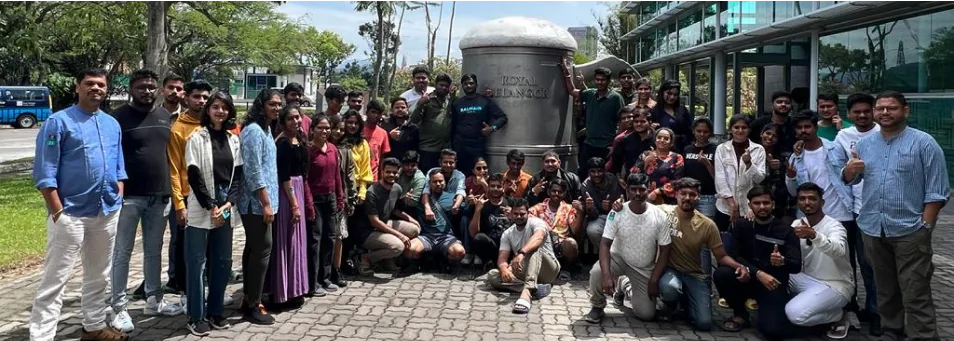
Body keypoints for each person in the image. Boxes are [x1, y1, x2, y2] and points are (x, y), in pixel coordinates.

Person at [30, 68, 129, 341]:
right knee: (55, 280)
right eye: (89, 84)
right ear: (78, 87)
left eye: (100, 84)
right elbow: (44, 171)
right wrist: (57, 210)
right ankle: (42, 336)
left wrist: (118, 192)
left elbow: (119, 165)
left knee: (99, 275)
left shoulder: (112, 124)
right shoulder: (58, 122)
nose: (95, 88)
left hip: (106, 211)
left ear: (106, 89)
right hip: (70, 213)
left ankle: (94, 326)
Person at [842, 91, 949, 341]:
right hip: (873, 228)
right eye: (880, 108)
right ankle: (892, 330)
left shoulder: (924, 143)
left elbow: (938, 192)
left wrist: (925, 226)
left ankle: (922, 336)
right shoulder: (865, 144)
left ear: (905, 110)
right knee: (885, 288)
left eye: (891, 108)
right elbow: (851, 178)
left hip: (910, 230)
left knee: (915, 290)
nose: (885, 113)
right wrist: (849, 171)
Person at [108, 69, 183, 333]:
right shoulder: (117, 118)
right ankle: (118, 307)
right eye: (141, 87)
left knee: (154, 251)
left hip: (159, 196)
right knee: (122, 253)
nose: (147, 91)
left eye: (151, 87)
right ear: (131, 88)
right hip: (129, 197)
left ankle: (154, 300)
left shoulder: (165, 116)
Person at [181, 91, 244, 336]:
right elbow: (194, 176)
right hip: (201, 205)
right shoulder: (197, 138)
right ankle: (196, 316)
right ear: (208, 110)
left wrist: (228, 204)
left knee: (222, 261)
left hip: (225, 206)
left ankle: (215, 311)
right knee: (196, 263)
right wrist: (211, 205)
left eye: (225, 107)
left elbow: (237, 176)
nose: (220, 111)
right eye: (215, 106)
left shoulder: (233, 140)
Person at [656, 178, 749, 331]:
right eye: (683, 193)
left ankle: (686, 302)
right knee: (669, 288)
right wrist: (618, 206)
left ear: (698, 197)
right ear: (676, 195)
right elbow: (640, 205)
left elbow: (721, 256)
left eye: (692, 194)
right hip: (670, 271)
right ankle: (670, 304)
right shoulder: (662, 212)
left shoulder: (707, 224)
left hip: (694, 274)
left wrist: (740, 266)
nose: (687, 198)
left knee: (704, 323)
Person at [714, 186, 801, 340]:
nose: (762, 207)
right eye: (757, 203)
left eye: (766, 203)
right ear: (750, 205)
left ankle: (772, 310)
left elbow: (796, 265)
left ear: (773, 204)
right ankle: (741, 314)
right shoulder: (742, 225)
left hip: (772, 283)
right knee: (722, 274)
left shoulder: (786, 230)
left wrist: (783, 261)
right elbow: (734, 254)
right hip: (748, 277)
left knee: (772, 331)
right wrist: (754, 272)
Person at [583, 173, 671, 323]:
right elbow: (605, 243)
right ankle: (597, 306)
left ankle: (624, 285)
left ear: (649, 188)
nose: (638, 194)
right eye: (633, 189)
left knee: (646, 315)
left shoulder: (659, 215)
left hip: (643, 267)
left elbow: (665, 250)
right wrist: (606, 275)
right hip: (619, 259)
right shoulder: (616, 212)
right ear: (627, 190)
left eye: (642, 189)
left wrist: (654, 280)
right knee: (596, 272)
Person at [832, 93, 880, 334]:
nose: (862, 116)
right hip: (851, 210)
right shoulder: (844, 136)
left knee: (871, 264)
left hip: (876, 210)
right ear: (849, 114)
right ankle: (851, 306)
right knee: (847, 262)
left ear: (873, 111)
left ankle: (876, 311)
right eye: (856, 112)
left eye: (866, 111)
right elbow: (839, 172)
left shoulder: (883, 132)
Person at [784, 183, 852, 339]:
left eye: (812, 199)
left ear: (822, 202)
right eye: (802, 199)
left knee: (795, 314)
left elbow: (838, 250)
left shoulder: (835, 226)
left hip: (834, 285)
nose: (807, 203)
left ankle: (838, 315)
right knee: (773, 276)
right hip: (805, 280)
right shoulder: (796, 224)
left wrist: (814, 235)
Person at [238, 89, 281, 325]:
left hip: (265, 202)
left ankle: (248, 298)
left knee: (254, 250)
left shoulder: (266, 129)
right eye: (272, 104)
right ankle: (254, 304)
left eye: (279, 104)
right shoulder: (253, 132)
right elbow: (253, 172)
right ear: (261, 105)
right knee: (263, 250)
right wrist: (265, 203)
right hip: (255, 204)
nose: (277, 108)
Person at [167, 80, 214, 294]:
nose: (201, 101)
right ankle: (184, 289)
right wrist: (179, 204)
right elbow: (174, 169)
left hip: (212, 195)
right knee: (185, 246)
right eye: (197, 97)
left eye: (205, 97)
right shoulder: (178, 128)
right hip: (188, 196)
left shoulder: (213, 125)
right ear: (187, 98)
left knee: (210, 245)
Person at [266, 105, 312, 306]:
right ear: (283, 122)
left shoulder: (299, 140)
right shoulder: (282, 144)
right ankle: (282, 291)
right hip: (288, 195)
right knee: (286, 243)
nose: (296, 121)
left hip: (299, 190)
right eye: (291, 118)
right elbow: (284, 178)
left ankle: (296, 288)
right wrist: (294, 205)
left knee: (297, 243)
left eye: (298, 118)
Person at [784, 110, 854, 239]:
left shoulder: (836, 149)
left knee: (842, 256)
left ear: (816, 127)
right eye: (799, 128)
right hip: (809, 217)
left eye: (807, 126)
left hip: (840, 214)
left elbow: (851, 177)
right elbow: (794, 193)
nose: (803, 130)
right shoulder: (795, 157)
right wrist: (791, 177)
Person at [485, 198, 559, 314]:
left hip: (548, 269)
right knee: (493, 276)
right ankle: (537, 288)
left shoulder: (536, 222)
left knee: (534, 249)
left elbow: (539, 237)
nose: (519, 216)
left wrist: (522, 253)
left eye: (522, 214)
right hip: (526, 269)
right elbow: (502, 258)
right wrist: (504, 269)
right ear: (511, 214)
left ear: (528, 213)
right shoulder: (508, 233)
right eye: (516, 214)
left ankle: (527, 292)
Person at [357, 158, 422, 275]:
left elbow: (395, 210)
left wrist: (411, 219)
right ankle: (365, 258)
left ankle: (387, 259)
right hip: (368, 231)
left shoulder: (397, 188)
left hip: (385, 223)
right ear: (382, 171)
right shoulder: (372, 192)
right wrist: (399, 235)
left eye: (394, 172)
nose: (391, 175)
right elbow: (374, 221)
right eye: (388, 172)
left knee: (414, 229)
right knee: (398, 246)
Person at [560, 61, 625, 179]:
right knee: (584, 173)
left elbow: (622, 121)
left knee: (606, 176)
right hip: (589, 143)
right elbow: (572, 91)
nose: (600, 82)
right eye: (598, 79)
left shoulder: (616, 98)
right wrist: (567, 74)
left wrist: (615, 145)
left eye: (603, 80)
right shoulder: (590, 94)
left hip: (607, 145)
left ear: (608, 81)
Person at [305, 114, 345, 297]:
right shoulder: (308, 150)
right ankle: (312, 282)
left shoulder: (333, 149)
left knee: (330, 238)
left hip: (331, 199)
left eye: (327, 128)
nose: (325, 131)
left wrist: (340, 198)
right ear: (312, 129)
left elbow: (337, 176)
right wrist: (309, 204)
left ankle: (325, 277)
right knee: (315, 240)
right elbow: (304, 180)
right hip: (315, 200)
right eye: (320, 128)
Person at [714, 115, 767, 231]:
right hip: (725, 207)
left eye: (744, 127)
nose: (740, 131)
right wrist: (732, 205)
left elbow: (759, 178)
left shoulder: (759, 149)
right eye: (736, 127)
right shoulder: (721, 149)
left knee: (747, 244)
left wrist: (749, 164)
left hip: (750, 208)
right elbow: (720, 178)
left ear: (749, 130)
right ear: (730, 129)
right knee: (724, 242)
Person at [450, 74, 508, 175]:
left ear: (476, 85)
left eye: (471, 83)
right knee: (461, 177)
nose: (468, 86)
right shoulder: (457, 103)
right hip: (460, 148)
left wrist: (492, 128)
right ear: (462, 86)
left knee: (479, 176)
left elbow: (502, 117)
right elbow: (452, 126)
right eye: (465, 84)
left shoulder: (485, 101)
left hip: (478, 148)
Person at [405, 170, 467, 265]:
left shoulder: (453, 197)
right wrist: (406, 202)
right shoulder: (420, 198)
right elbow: (408, 210)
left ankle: (443, 260)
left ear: (445, 182)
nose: (438, 184)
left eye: (441, 181)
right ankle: (424, 260)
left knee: (459, 253)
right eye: (434, 182)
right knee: (410, 251)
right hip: (426, 236)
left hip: (446, 237)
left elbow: (465, 211)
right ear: (429, 183)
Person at [325, 114, 356, 288]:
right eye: (335, 128)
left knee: (338, 237)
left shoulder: (346, 150)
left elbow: (350, 176)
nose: (337, 132)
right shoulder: (320, 147)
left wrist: (350, 198)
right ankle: (323, 271)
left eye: (341, 129)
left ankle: (336, 270)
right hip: (322, 197)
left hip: (341, 198)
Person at [528, 179, 584, 267]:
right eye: (554, 191)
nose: (556, 194)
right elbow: (526, 219)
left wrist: (580, 212)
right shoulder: (538, 208)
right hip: (542, 243)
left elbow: (575, 232)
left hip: (560, 245)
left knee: (571, 243)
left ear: (564, 193)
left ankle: (566, 269)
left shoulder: (569, 209)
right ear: (548, 192)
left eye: (560, 192)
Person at [410, 73, 454, 172]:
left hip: (445, 150)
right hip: (428, 148)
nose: (443, 88)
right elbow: (414, 119)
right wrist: (421, 104)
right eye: (441, 85)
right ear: (435, 85)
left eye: (446, 86)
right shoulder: (427, 100)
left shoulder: (450, 100)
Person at [421, 149, 467, 243]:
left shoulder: (460, 175)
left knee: (464, 216)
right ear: (440, 162)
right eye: (445, 162)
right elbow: (426, 190)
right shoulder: (433, 172)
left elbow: (461, 191)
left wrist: (456, 205)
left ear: (455, 163)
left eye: (451, 162)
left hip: (452, 209)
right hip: (435, 207)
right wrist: (427, 208)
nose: (448, 165)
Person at [468, 174, 513, 265]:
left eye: (498, 186)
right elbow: (473, 233)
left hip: (508, 245)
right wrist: (477, 210)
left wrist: (513, 217)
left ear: (503, 188)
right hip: (491, 244)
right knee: (479, 238)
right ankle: (489, 262)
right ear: (488, 187)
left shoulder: (511, 203)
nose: (495, 189)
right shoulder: (481, 203)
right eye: (492, 186)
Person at [633, 127, 684, 204]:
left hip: (667, 199)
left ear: (671, 142)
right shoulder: (645, 155)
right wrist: (646, 162)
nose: (662, 140)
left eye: (666, 138)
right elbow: (633, 177)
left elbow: (678, 181)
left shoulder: (677, 158)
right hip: (644, 198)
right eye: (659, 137)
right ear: (655, 140)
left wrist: (658, 191)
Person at [581, 157, 622, 249]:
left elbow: (620, 202)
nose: (596, 174)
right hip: (599, 216)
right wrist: (590, 208)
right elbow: (593, 215)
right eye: (593, 171)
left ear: (604, 171)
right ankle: (607, 254)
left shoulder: (612, 180)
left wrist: (611, 205)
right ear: (589, 172)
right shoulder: (585, 186)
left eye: (599, 171)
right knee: (592, 230)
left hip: (616, 214)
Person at [683, 118, 717, 219]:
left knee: (706, 228)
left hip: (708, 197)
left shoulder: (716, 150)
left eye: (705, 131)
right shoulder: (687, 149)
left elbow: (719, 177)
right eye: (699, 131)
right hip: (688, 195)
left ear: (710, 133)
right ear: (693, 131)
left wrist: (707, 164)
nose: (702, 134)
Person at [607, 105, 654, 177]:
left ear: (650, 122)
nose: (639, 124)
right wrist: (619, 177)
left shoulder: (657, 139)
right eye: (636, 121)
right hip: (631, 180)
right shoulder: (624, 140)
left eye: (642, 121)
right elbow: (616, 161)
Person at [760, 124, 794, 219]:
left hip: (778, 205)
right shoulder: (751, 154)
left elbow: (787, 185)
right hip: (755, 203)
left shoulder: (783, 158)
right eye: (768, 133)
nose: (770, 137)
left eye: (774, 136)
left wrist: (780, 168)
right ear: (761, 134)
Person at [650, 80, 693, 151]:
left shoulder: (682, 110)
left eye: (675, 94)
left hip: (683, 148)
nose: (672, 97)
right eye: (669, 93)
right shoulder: (654, 112)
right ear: (662, 93)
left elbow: (690, 130)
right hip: (663, 150)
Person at [363, 100, 391, 181]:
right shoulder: (358, 129)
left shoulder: (383, 133)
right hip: (359, 176)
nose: (375, 115)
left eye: (378, 113)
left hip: (374, 177)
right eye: (373, 112)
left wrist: (381, 178)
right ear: (367, 112)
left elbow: (382, 158)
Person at [396, 151, 427, 218]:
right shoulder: (399, 172)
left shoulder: (420, 178)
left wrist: (401, 199)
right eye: (407, 165)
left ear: (417, 165)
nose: (409, 168)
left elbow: (413, 203)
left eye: (413, 165)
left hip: (409, 212)